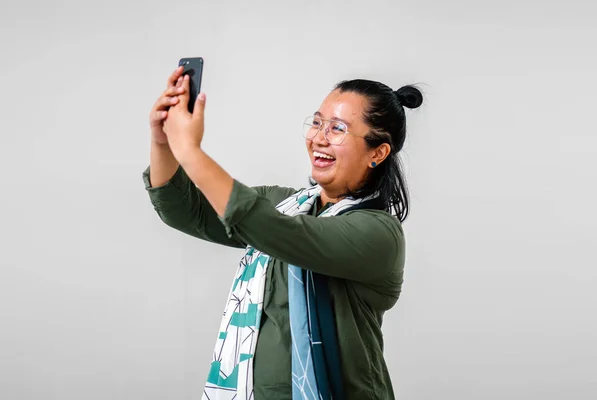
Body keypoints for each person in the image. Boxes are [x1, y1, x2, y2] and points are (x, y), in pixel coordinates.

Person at [142, 66, 423, 400]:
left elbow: (275, 231)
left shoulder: (378, 234)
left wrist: (190, 150)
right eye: (318, 123)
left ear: (378, 152)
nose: (319, 137)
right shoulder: (285, 204)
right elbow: (187, 210)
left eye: (338, 129)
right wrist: (164, 143)